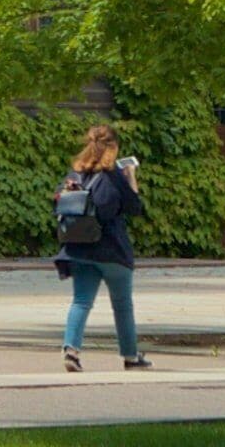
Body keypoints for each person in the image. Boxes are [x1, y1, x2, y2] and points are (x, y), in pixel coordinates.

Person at [53, 123, 149, 372]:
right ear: (113, 147)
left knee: (81, 301)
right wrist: (131, 177)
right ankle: (130, 356)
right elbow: (134, 207)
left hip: (79, 249)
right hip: (112, 250)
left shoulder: (75, 175)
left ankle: (71, 351)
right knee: (122, 305)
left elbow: (59, 204)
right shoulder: (114, 176)